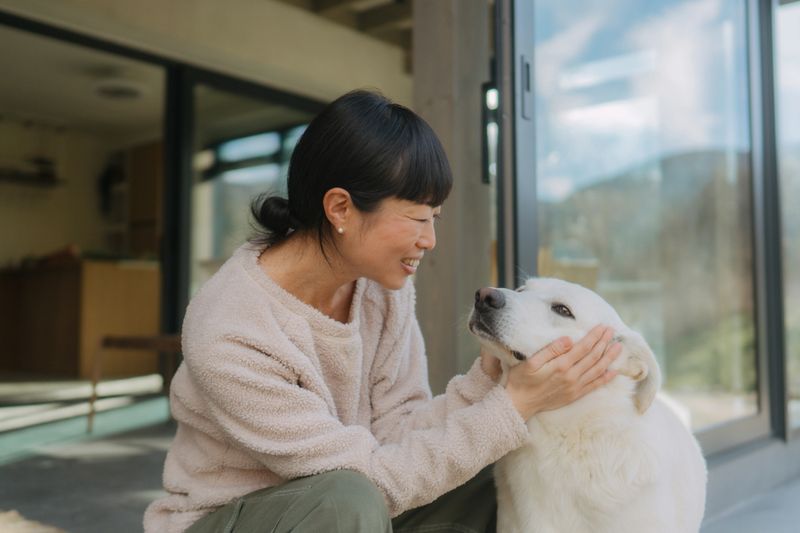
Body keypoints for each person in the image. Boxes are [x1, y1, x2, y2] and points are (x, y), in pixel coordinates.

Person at [143, 89, 621, 533]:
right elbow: (368, 480)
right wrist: (514, 406)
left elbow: (400, 430)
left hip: (359, 498)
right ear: (341, 208)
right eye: (416, 218)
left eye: (434, 218)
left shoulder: (381, 288)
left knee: (494, 469)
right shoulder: (231, 329)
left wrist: (491, 377)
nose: (428, 240)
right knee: (348, 499)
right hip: (234, 519)